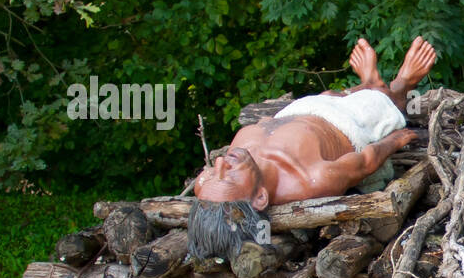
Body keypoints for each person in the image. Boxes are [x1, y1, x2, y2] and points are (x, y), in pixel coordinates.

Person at [187, 36, 436, 263]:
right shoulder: (309, 180)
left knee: (330, 93)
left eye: (213, 173)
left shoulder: (207, 187)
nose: (220, 164)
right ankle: (400, 86)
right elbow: (364, 163)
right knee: (382, 102)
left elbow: (210, 189)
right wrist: (393, 140)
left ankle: (368, 83)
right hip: (349, 123)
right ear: (260, 197)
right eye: (229, 177)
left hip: (298, 111)